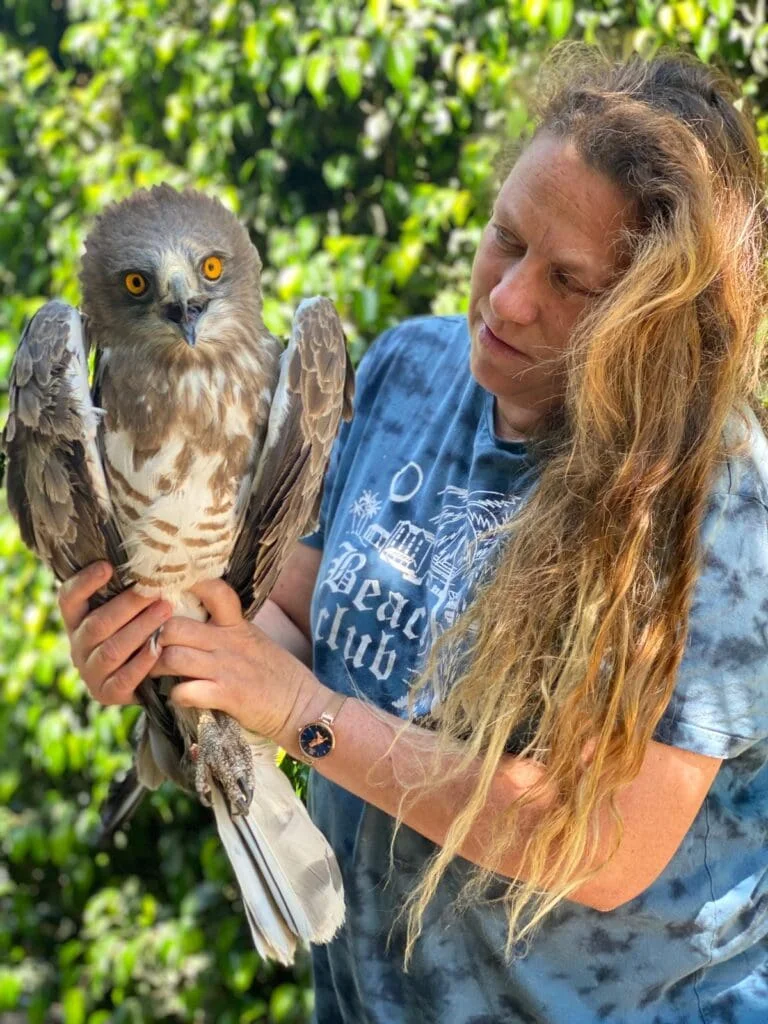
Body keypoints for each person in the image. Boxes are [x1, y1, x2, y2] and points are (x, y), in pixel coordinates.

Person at [57, 48, 768, 1023]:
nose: (508, 299)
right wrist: (175, 653)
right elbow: (296, 620)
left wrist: (310, 716)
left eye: (570, 282)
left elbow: (602, 846)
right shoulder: (410, 370)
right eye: (505, 239)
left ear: (656, 320)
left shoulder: (719, 500)